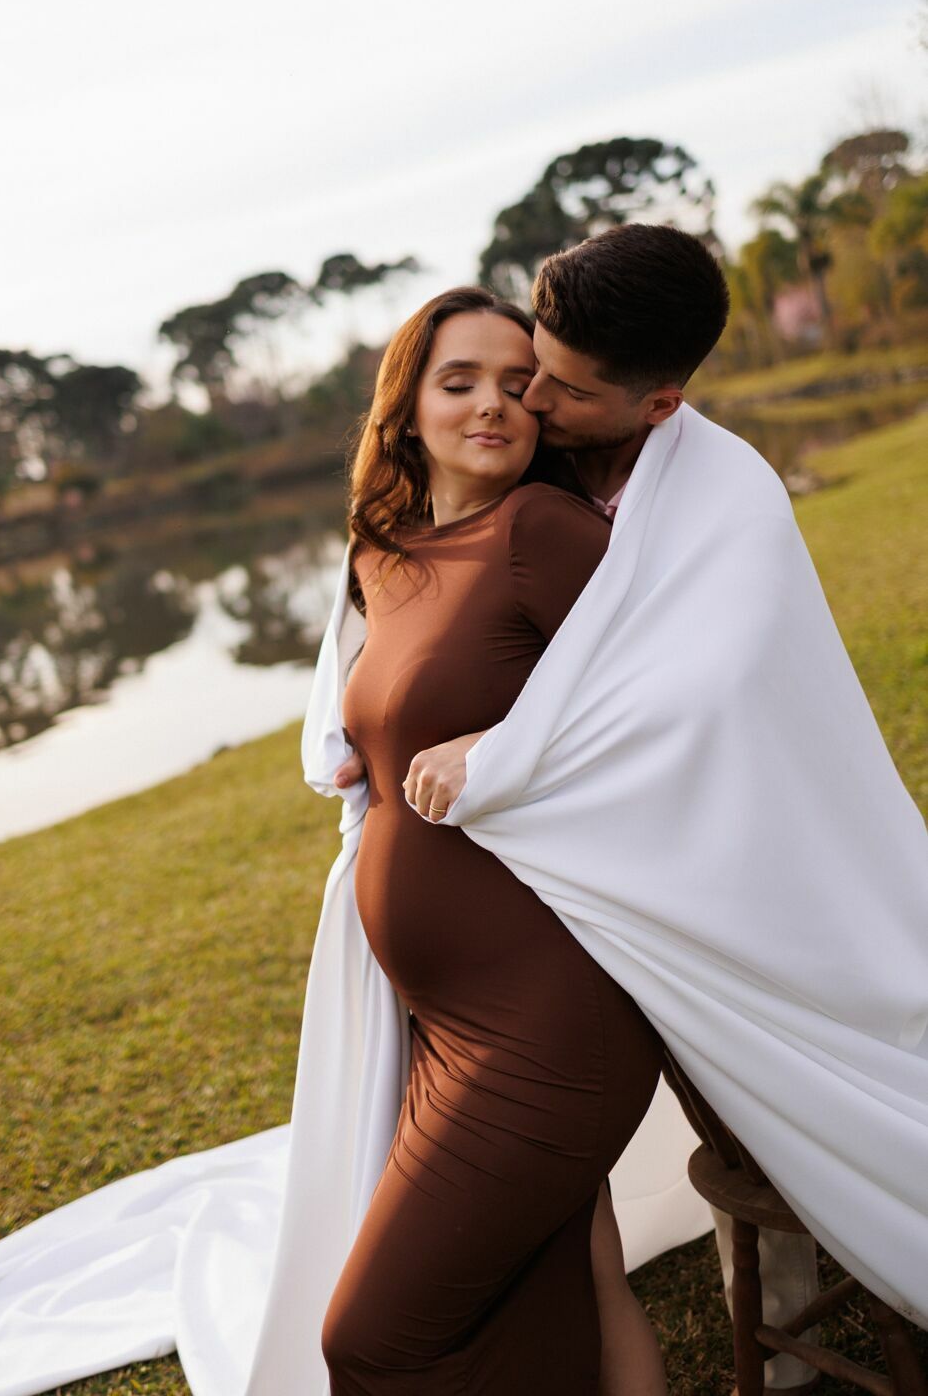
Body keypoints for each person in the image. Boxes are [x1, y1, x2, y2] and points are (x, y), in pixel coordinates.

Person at [320, 284, 667, 1394]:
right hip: (444, 1021)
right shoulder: (386, 558)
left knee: (372, 1335)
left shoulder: (543, 530)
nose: (492, 404)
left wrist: (506, 743)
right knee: (572, 1276)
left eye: (519, 385)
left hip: (551, 1020)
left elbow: (675, 707)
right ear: (406, 407)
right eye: (457, 380)